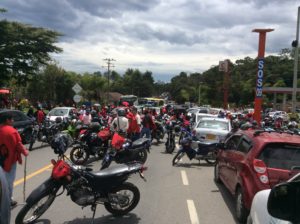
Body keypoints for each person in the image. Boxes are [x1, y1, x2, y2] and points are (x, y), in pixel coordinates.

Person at [0, 112, 29, 207]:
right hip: (9, 160)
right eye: (11, 119)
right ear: (7, 120)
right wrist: (25, 152)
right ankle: (8, 200)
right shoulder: (12, 131)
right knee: (8, 180)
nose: (13, 121)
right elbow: (18, 145)